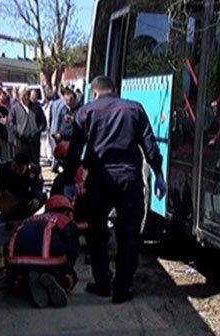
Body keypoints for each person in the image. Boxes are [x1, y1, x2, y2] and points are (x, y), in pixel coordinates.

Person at [62, 76, 167, 304]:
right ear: (116, 90)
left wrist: (68, 179)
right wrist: (158, 173)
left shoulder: (86, 112)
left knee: (96, 233)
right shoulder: (134, 109)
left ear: (95, 92)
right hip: (129, 179)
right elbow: (149, 146)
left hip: (99, 180)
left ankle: (102, 283)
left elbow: (74, 151)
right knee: (129, 234)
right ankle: (122, 287)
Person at [4, 195, 80, 308]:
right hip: (49, 261)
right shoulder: (65, 221)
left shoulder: (28, 220)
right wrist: (68, 270)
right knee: (71, 276)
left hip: (17, 260)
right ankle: (58, 280)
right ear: (67, 211)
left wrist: (10, 269)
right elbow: (72, 249)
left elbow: (8, 245)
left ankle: (24, 283)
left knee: (15, 280)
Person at [0, 153, 47, 221]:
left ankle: (17, 217)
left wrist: (37, 198)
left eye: (20, 170)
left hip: (24, 198)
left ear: (27, 166)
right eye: (15, 167)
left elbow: (38, 185)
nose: (17, 171)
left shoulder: (33, 170)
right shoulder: (3, 168)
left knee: (42, 197)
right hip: (7, 197)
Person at [8, 86, 47, 166]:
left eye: (24, 94)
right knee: (22, 164)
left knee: (35, 164)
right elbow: (11, 124)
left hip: (34, 142)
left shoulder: (37, 108)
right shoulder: (14, 109)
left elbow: (43, 122)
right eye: (21, 95)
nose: (23, 97)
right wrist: (19, 133)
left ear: (28, 95)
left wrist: (38, 131)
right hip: (21, 142)